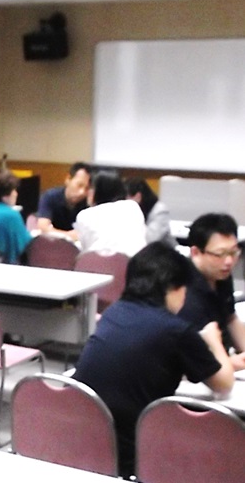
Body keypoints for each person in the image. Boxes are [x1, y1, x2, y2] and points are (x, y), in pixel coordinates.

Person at [73, 242, 234, 478]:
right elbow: (224, 384)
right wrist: (214, 340)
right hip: (135, 452)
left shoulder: (114, 312)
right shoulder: (177, 330)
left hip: (84, 439)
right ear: (174, 288)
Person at [178, 213, 245, 370]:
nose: (228, 261)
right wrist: (229, 363)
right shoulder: (182, 288)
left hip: (223, 360)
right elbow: (186, 358)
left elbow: (230, 318)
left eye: (233, 252)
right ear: (195, 252)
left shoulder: (221, 275)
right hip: (196, 372)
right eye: (219, 254)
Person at [73, 170, 147, 257]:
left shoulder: (85, 215)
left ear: (100, 191)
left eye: (91, 188)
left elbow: (86, 251)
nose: (87, 192)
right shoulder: (133, 206)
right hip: (137, 263)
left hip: (101, 263)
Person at [36, 162, 91, 240]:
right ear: (68, 179)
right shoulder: (50, 196)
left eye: (87, 188)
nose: (82, 192)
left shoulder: (89, 202)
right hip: (53, 242)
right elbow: (43, 228)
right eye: (79, 185)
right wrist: (68, 235)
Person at [124, 177, 178, 246]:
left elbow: (150, 239)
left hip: (162, 250)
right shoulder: (128, 211)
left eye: (126, 197)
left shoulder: (159, 210)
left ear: (138, 196)